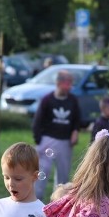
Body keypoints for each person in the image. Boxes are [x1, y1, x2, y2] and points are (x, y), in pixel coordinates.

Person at [32, 70, 81, 200]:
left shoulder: (72, 100)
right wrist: (39, 140)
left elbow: (77, 119)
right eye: (67, 83)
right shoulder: (47, 100)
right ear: (58, 83)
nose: (69, 86)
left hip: (65, 141)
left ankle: (58, 202)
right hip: (47, 139)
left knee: (63, 175)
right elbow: (38, 120)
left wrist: (75, 131)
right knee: (42, 171)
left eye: (71, 83)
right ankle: (37, 199)